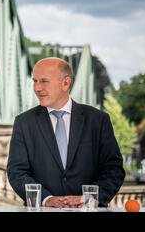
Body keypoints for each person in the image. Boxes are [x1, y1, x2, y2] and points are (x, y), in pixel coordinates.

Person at [7, 57, 125, 208]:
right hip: (42, 210)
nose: (37, 88)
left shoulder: (97, 120)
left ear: (66, 83)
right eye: (34, 81)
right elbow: (17, 171)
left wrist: (87, 199)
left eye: (44, 81)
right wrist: (45, 199)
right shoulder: (24, 122)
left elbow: (113, 169)